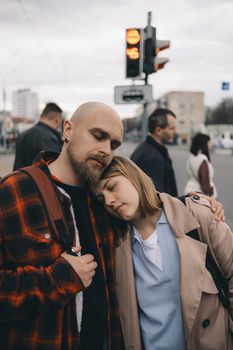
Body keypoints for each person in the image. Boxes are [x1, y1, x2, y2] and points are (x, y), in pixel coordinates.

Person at [0, 102, 124, 350]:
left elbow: (151, 207)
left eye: (113, 144)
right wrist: (56, 280)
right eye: (98, 136)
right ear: (68, 130)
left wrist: (197, 204)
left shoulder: (107, 199)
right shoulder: (14, 190)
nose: (106, 150)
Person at [93, 155, 233, 350]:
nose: (109, 201)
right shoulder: (115, 244)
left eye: (112, 187)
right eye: (101, 199)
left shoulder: (196, 214)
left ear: (132, 176)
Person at [131, 107, 178, 196]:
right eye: (172, 128)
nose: (175, 132)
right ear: (158, 131)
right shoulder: (151, 157)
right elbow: (158, 198)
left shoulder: (148, 149)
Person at [13, 102, 63, 170]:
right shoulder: (50, 138)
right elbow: (54, 170)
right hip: (39, 180)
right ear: (57, 119)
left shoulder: (23, 134)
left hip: (19, 179)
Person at [185, 132, 217, 198]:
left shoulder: (192, 156)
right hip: (201, 197)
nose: (211, 144)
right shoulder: (202, 159)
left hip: (190, 191)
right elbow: (205, 185)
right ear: (204, 144)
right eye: (209, 142)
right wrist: (211, 193)